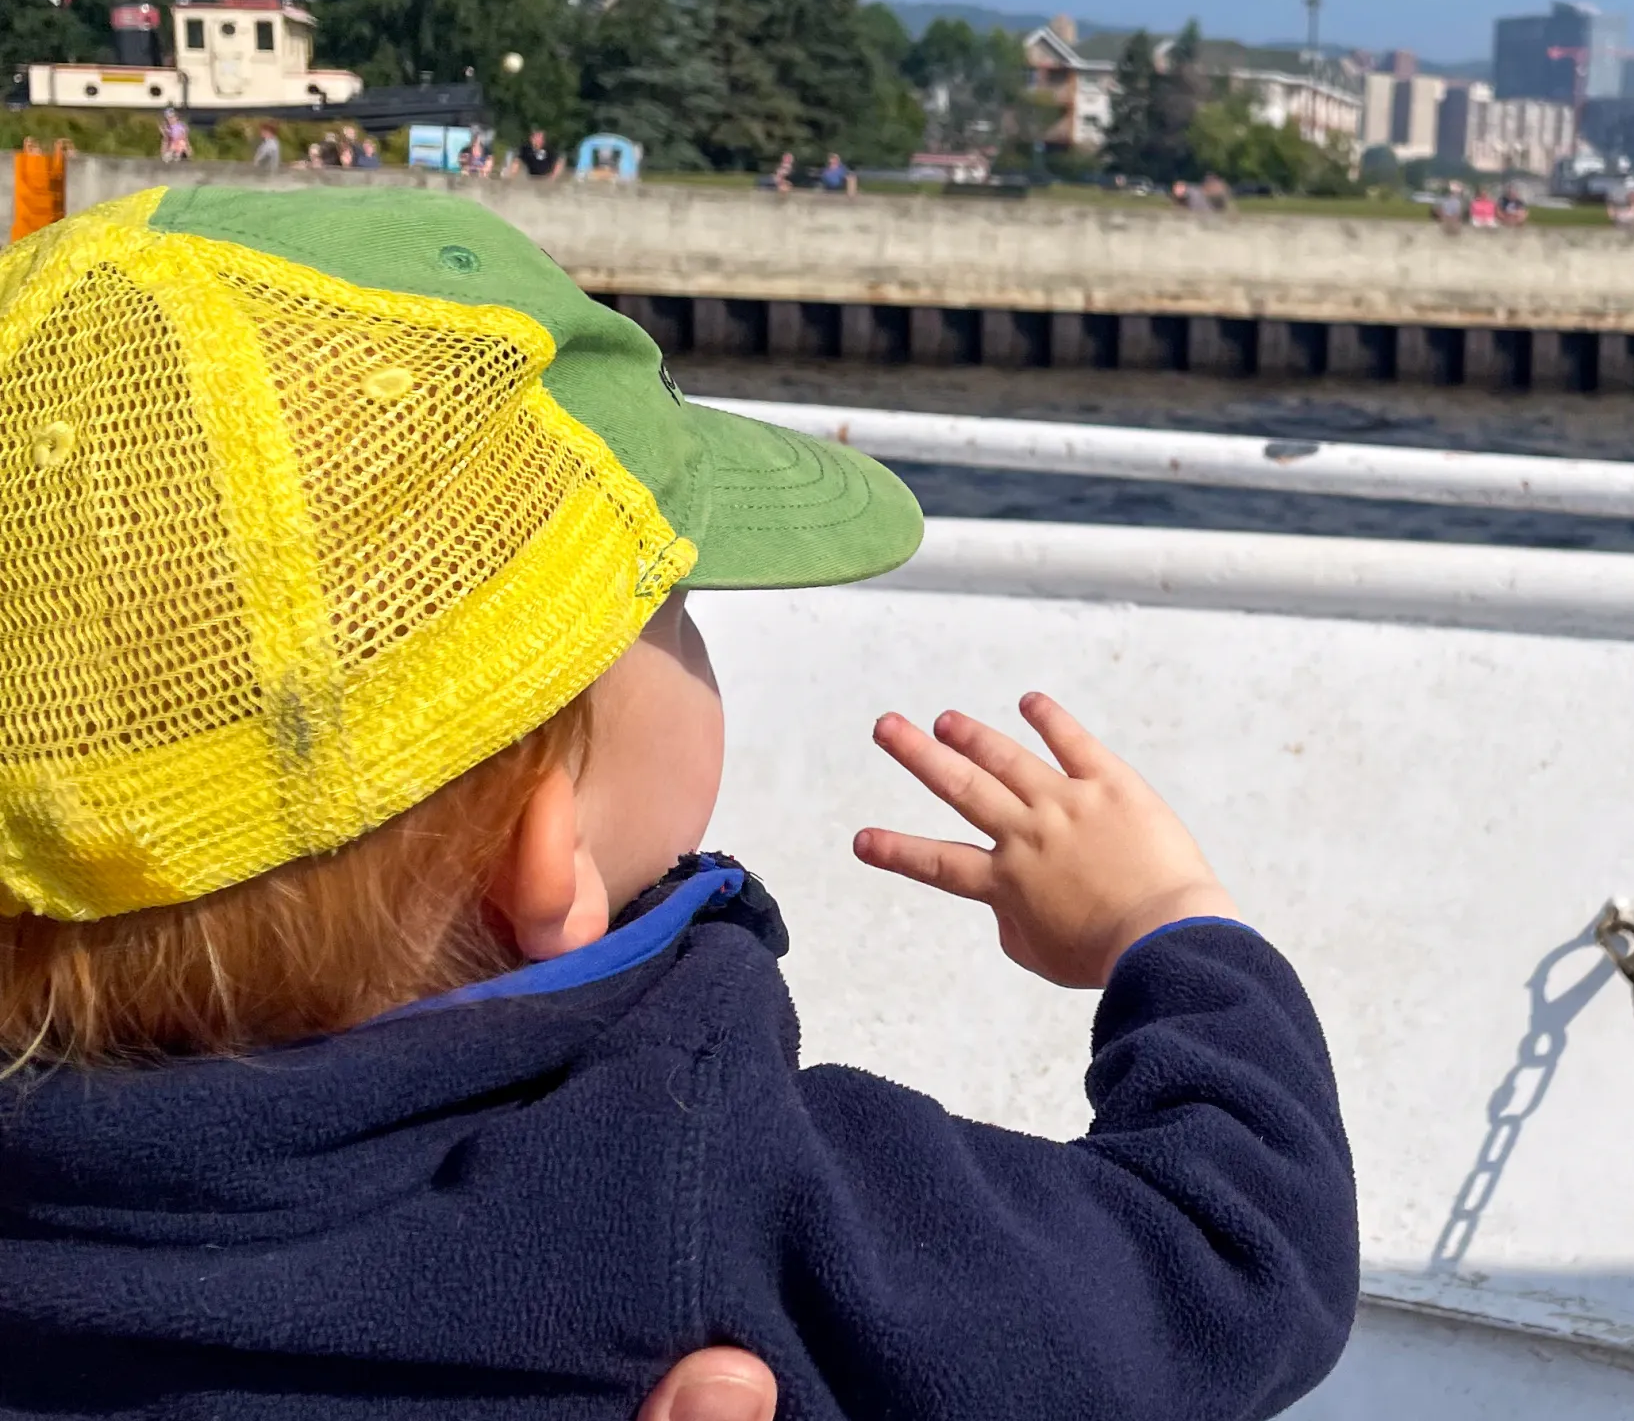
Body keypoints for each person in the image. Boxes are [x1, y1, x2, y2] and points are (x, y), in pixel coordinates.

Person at [0, 185, 1357, 1420]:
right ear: (545, 856)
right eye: (673, 603)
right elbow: (1231, 1267)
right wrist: (1171, 933)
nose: (696, 629)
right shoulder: (698, 1189)